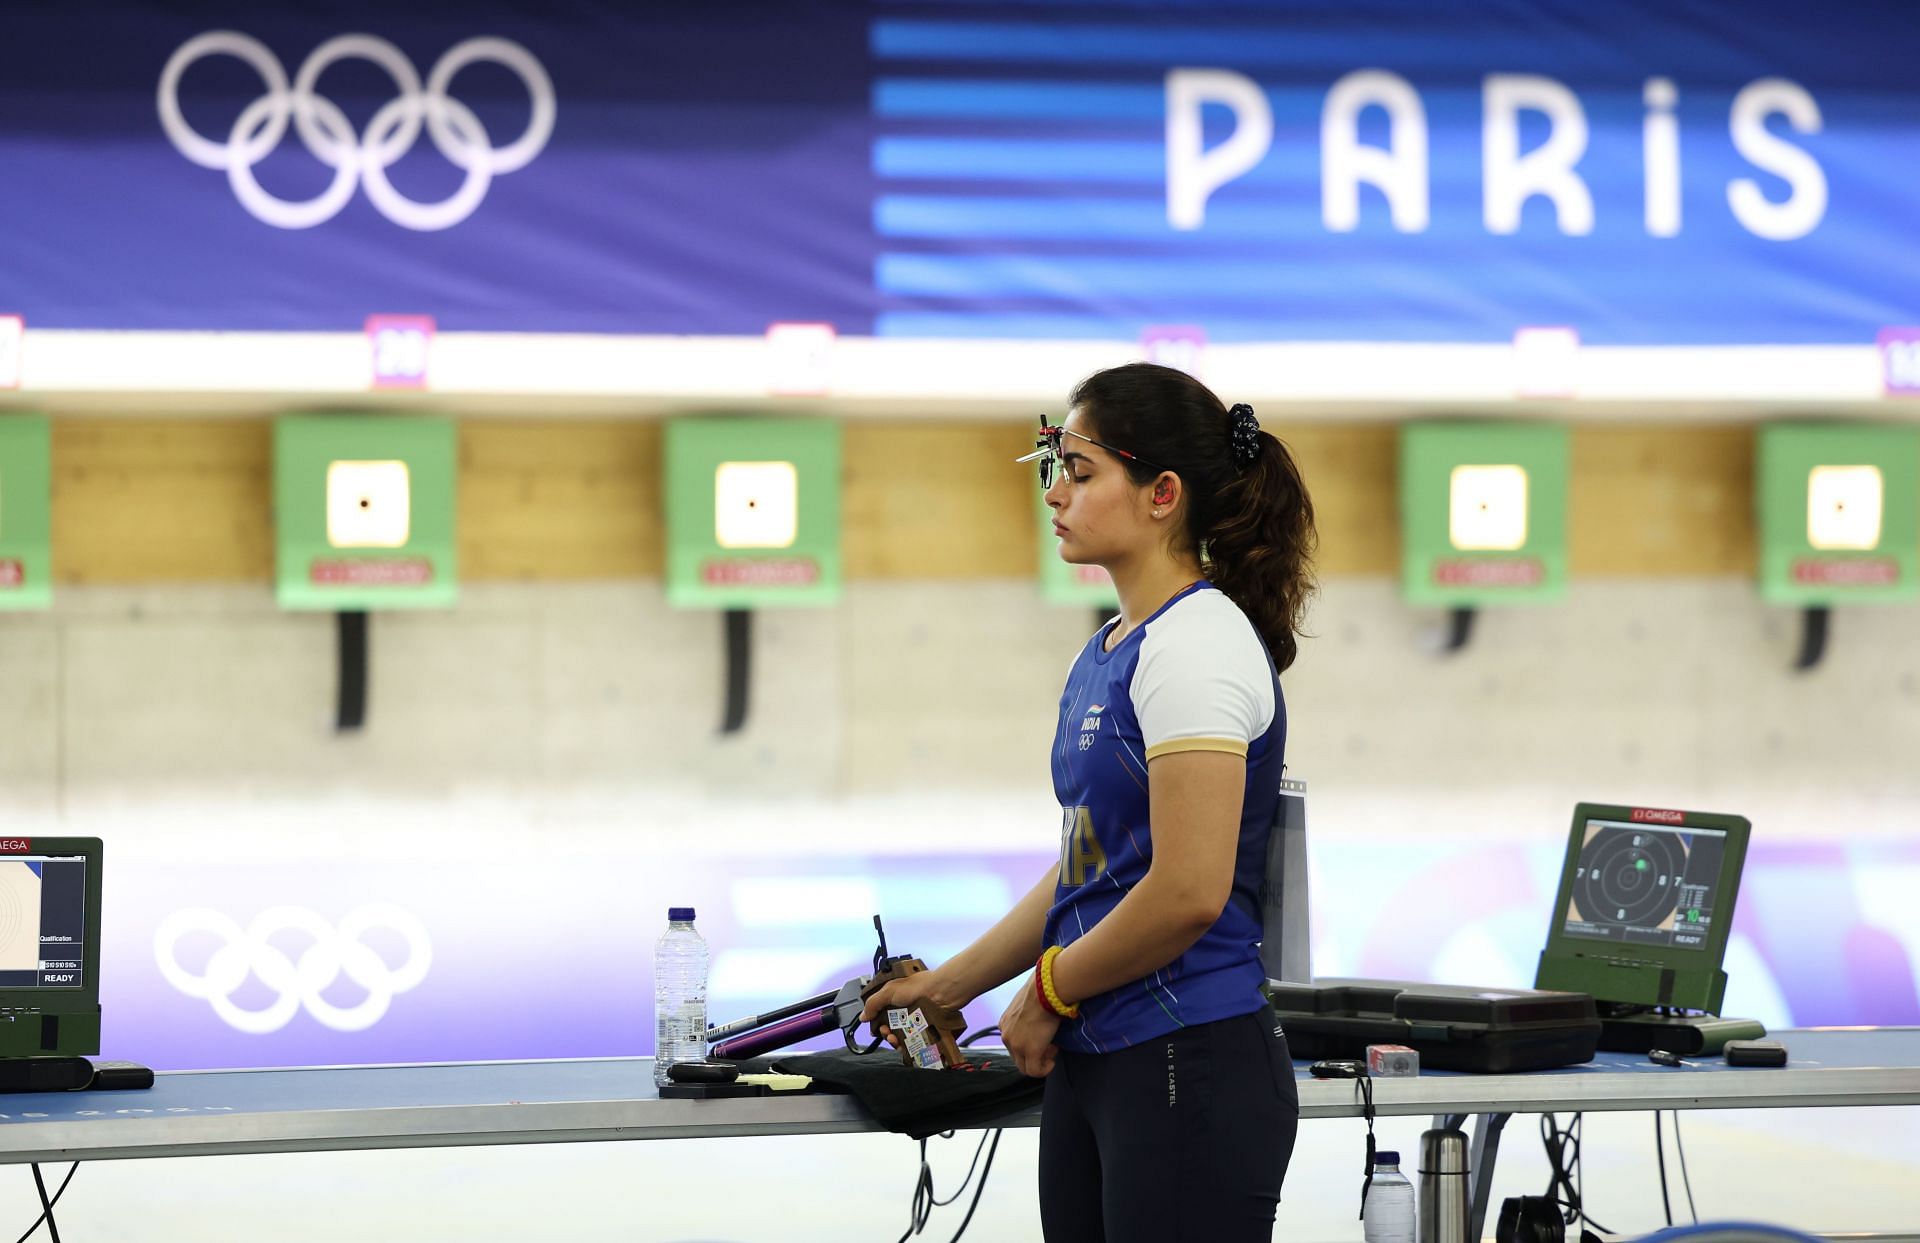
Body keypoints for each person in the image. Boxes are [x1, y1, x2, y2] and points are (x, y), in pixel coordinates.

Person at [861, 362, 1318, 1242]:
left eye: (1080, 470)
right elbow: (1088, 870)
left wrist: (1048, 989)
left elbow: (1188, 890)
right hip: (1100, 1060)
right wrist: (950, 986)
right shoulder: (1109, 648)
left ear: (1162, 494)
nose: (1055, 494)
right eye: (1054, 470)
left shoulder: (1199, 644)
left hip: (1189, 1058)